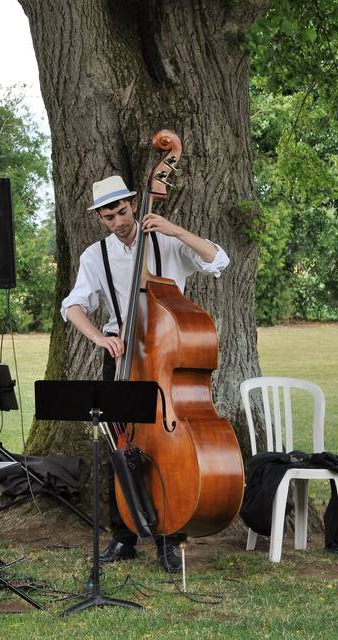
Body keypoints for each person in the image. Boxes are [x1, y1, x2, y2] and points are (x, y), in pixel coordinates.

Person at [60, 175, 230, 572]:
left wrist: (174, 229)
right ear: (99, 217)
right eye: (108, 215)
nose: (117, 220)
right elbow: (73, 307)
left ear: (134, 204)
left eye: (122, 211)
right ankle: (123, 536)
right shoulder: (94, 256)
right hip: (122, 355)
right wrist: (100, 340)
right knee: (121, 445)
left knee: (166, 448)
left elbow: (217, 260)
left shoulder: (167, 241)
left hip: (168, 354)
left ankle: (170, 538)